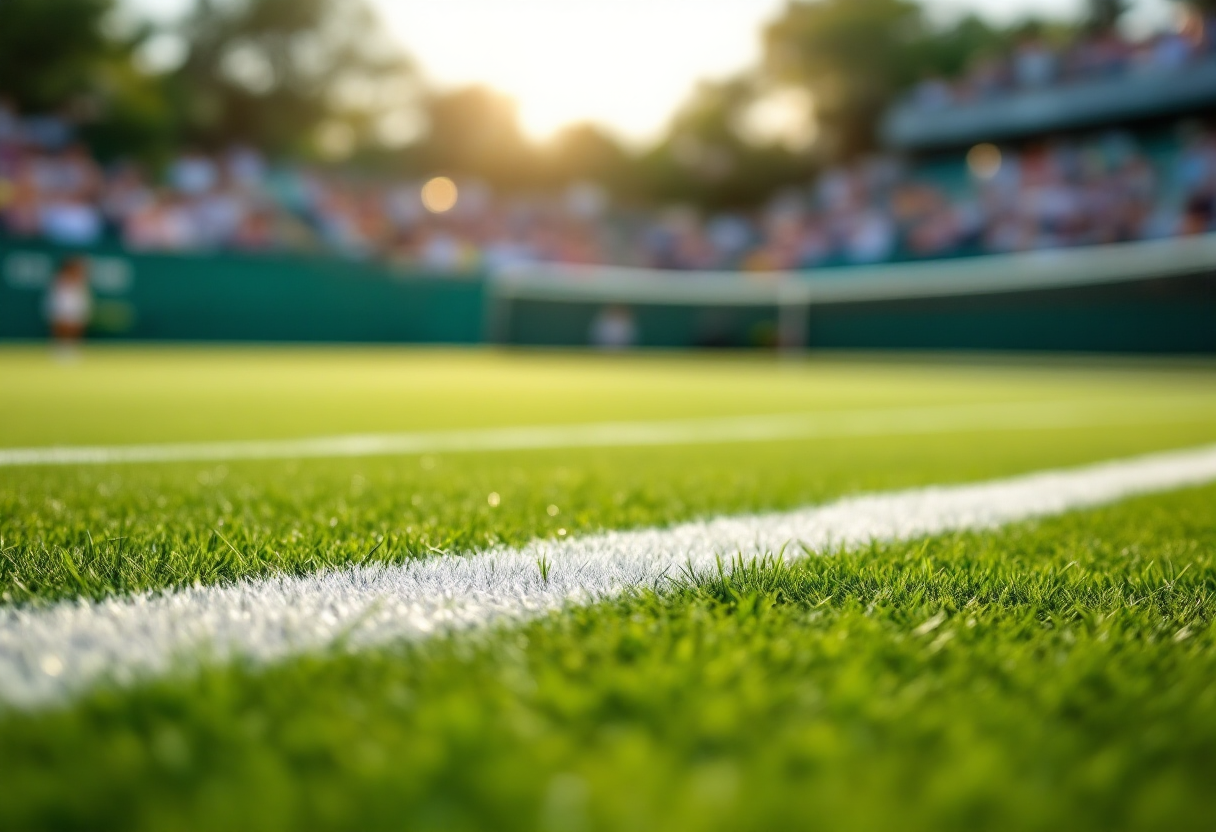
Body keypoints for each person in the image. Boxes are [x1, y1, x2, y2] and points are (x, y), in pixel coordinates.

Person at [45, 256, 91, 358]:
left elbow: (82, 297)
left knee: (76, 327)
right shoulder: (59, 280)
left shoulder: (81, 281)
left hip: (76, 306)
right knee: (62, 326)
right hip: (61, 306)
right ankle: (59, 349)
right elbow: (57, 298)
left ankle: (72, 349)